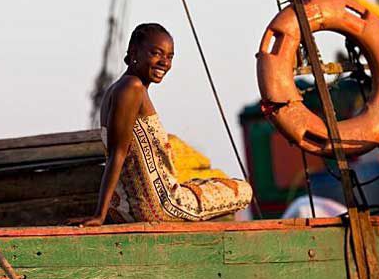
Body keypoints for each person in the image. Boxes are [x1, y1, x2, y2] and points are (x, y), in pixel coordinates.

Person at [67, 23, 252, 227]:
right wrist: (99, 216)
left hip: (130, 209)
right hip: (162, 206)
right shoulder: (132, 88)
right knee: (243, 189)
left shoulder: (116, 90)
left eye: (170, 56)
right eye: (156, 53)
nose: (164, 62)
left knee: (202, 183)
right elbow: (116, 154)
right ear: (135, 52)